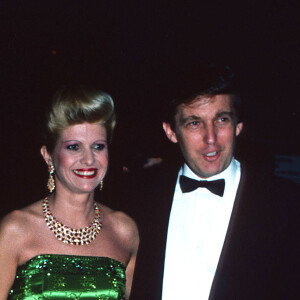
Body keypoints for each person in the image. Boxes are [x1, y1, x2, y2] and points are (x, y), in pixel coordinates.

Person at [124, 65, 299, 300]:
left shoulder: (286, 204)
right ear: (171, 132)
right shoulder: (138, 198)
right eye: (194, 123)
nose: (211, 138)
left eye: (222, 120)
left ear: (238, 126)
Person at [0, 85, 139, 299]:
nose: (89, 159)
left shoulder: (125, 231)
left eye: (98, 146)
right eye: (74, 147)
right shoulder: (15, 229)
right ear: (48, 155)